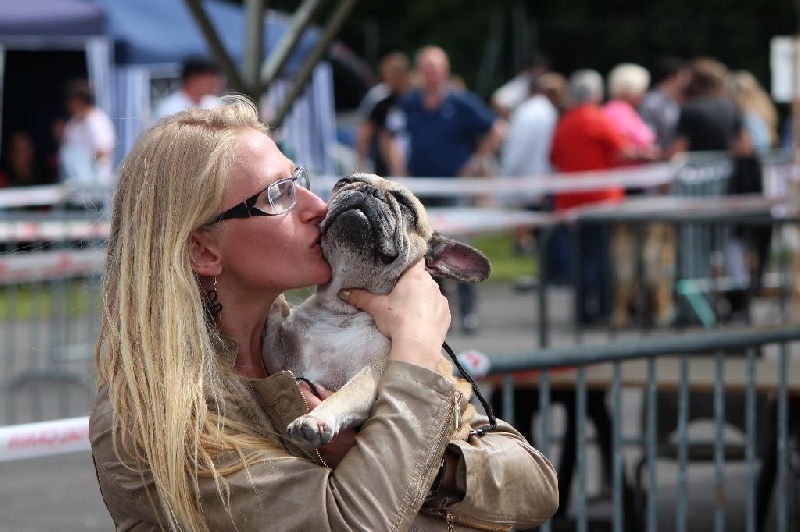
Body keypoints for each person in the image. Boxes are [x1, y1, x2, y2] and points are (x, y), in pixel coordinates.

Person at [89, 97, 559, 531]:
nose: (318, 207)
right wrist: (415, 349)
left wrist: (431, 470)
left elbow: (536, 487)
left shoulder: (314, 334)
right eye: (277, 196)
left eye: (301, 181)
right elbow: (352, 522)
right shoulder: (152, 417)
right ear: (203, 250)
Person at [394, 45, 506, 334]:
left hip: (453, 188)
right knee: (424, 251)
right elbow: (391, 133)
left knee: (458, 249)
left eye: (436, 68)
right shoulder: (410, 103)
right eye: (427, 69)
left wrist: (475, 162)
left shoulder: (460, 102)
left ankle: (468, 311)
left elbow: (496, 127)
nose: (432, 75)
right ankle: (437, 310)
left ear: (444, 71)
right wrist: (400, 166)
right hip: (420, 189)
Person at [549, 69, 627, 324]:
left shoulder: (565, 121)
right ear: (597, 94)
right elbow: (621, 150)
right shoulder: (598, 119)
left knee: (580, 258)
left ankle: (583, 311)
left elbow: (554, 157)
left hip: (571, 202)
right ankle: (602, 309)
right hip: (601, 201)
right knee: (601, 257)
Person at [499, 72, 566, 254]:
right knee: (531, 211)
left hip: (526, 168)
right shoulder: (546, 111)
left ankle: (524, 243)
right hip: (536, 170)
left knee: (525, 210)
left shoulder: (527, 110)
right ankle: (525, 244)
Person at [360, 51, 413, 176]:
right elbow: (365, 133)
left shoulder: (416, 99)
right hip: (384, 169)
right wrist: (362, 162)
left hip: (414, 167)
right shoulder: (379, 99)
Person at [59, 79, 116, 186]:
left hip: (97, 185)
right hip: (74, 185)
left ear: (80, 101)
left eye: (71, 102)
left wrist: (83, 162)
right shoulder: (72, 124)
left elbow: (103, 151)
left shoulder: (99, 121)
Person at [638, 56, 690, 152]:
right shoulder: (652, 102)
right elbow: (648, 133)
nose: (687, 81)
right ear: (673, 76)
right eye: (684, 76)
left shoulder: (675, 100)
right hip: (658, 159)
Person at [153, 56, 224, 120]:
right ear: (193, 78)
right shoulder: (170, 109)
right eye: (210, 78)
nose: (216, 83)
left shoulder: (214, 104)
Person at [491, 52, 551, 119]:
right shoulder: (522, 83)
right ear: (531, 69)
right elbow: (496, 101)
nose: (542, 74)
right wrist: (516, 120)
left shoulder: (539, 85)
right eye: (540, 70)